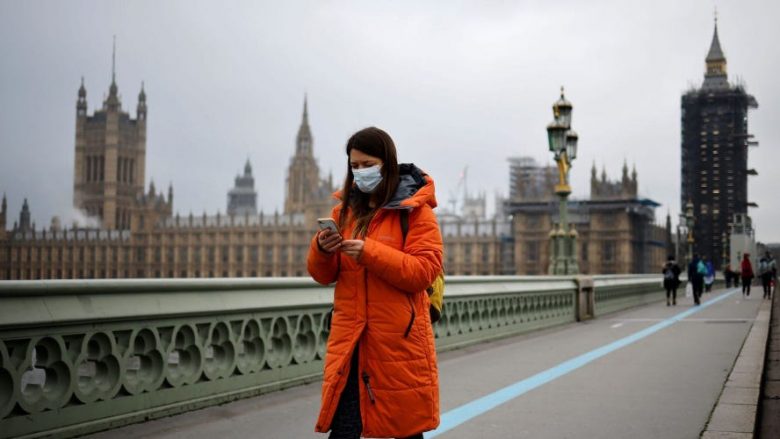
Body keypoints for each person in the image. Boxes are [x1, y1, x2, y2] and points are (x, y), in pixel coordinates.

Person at [308, 127, 443, 439]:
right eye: (354, 166)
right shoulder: (344, 213)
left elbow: (424, 271)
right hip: (352, 343)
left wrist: (370, 252)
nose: (360, 172)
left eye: (367, 165)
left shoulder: (415, 212)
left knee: (403, 428)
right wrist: (322, 250)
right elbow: (323, 275)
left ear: (387, 163)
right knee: (345, 429)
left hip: (398, 344)